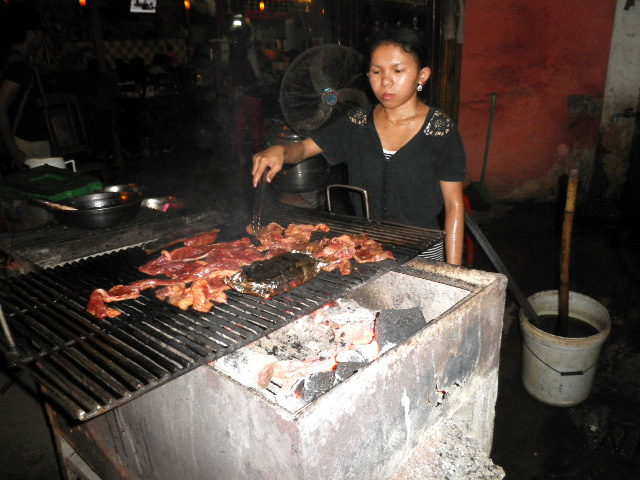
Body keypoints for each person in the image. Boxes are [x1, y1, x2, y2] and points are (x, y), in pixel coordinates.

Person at [251, 28, 466, 265]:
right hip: (368, 250)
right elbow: (302, 150)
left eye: (398, 70)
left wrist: (453, 270)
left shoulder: (440, 130)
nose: (386, 81)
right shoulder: (356, 122)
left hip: (424, 253)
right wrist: (281, 151)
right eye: (376, 71)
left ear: (422, 76)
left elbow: (453, 205)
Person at [0, 2, 49, 174]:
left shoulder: (7, 60)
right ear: (30, 33)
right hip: (26, 142)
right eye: (41, 31)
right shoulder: (18, 66)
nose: (43, 36)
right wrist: (13, 149)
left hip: (20, 140)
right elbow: (1, 105)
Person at [229, 23, 263, 164]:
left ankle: (241, 155)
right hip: (252, 92)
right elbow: (256, 73)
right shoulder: (250, 51)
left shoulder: (233, 51)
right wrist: (262, 77)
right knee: (255, 125)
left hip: (238, 93)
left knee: (239, 126)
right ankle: (258, 155)